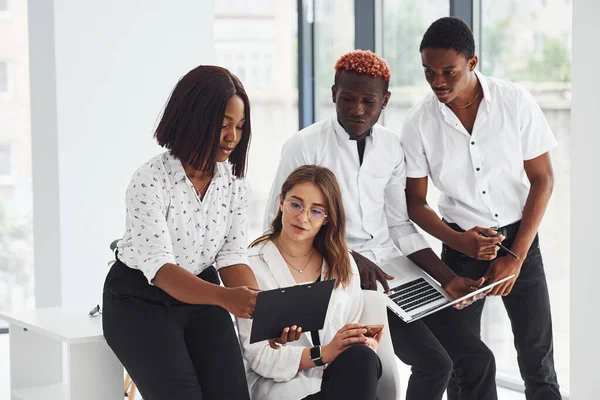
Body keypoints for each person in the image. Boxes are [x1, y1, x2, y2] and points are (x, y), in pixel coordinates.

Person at [264, 50, 497, 400]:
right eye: (347, 98)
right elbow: (279, 224)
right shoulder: (304, 146)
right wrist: (349, 257)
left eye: (368, 101)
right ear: (333, 94)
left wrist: (447, 279)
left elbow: (399, 225)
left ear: (384, 101)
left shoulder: (390, 146)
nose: (357, 109)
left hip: (395, 270)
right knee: (435, 364)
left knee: (478, 358)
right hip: (344, 279)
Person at [402, 17, 561, 399]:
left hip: (520, 240)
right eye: (428, 72)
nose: (437, 81)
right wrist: (460, 241)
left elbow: (543, 179)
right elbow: (415, 202)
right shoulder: (419, 122)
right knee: (463, 363)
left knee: (538, 362)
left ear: (473, 63)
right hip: (459, 248)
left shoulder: (514, 101)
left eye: (448, 71)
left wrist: (517, 257)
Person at [102, 65, 260, 400]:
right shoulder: (149, 181)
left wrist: (264, 312)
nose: (232, 136)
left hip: (203, 296)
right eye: (223, 125)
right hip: (141, 300)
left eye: (240, 127)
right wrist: (226, 299)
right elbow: (161, 271)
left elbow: (232, 258)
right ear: (194, 119)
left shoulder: (234, 188)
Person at [238, 165, 383, 400]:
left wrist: (361, 343)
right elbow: (258, 357)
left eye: (316, 211)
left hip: (337, 382)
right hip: (284, 388)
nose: (303, 217)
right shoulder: (250, 265)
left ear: (327, 218)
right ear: (281, 201)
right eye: (295, 204)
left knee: (364, 358)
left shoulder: (342, 261)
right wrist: (323, 353)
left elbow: (350, 323)